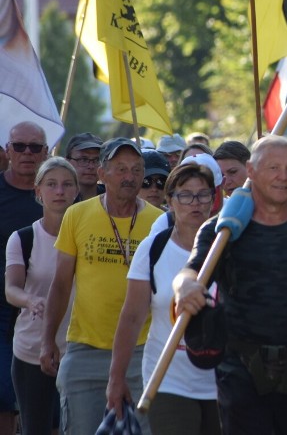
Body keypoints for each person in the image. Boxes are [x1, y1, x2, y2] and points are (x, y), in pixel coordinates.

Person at [173, 135, 287, 434]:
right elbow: (191, 272)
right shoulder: (221, 232)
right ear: (251, 170)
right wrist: (185, 288)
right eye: (273, 167)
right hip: (241, 375)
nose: (283, 177)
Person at [41, 138, 160, 435]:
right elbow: (60, 285)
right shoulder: (77, 215)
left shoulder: (160, 223)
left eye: (136, 169)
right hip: (86, 348)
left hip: (143, 350)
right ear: (101, 174)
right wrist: (48, 340)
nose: (129, 177)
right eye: (120, 169)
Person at [107, 163, 220, 434]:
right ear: (169, 201)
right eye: (184, 195)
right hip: (168, 380)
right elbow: (132, 316)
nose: (195, 203)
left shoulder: (228, 246)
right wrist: (116, 377)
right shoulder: (153, 248)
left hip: (223, 381)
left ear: (213, 200)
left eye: (203, 194)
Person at [5, 158, 78, 435]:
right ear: (38, 192)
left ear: (76, 192)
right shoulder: (23, 239)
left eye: (66, 184)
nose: (59, 191)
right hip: (31, 350)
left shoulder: (87, 237)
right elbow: (11, 289)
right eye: (51, 184)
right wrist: (29, 300)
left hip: (78, 349)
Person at [0, 121, 49, 435]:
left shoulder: (60, 196)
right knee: (4, 397)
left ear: (46, 152)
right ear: (7, 151)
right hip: (2, 313)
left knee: (48, 412)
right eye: (20, 146)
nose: (27, 153)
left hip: (47, 313)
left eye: (35, 147)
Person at [64, 132, 104, 201]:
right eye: (83, 160)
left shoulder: (112, 199)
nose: (91, 166)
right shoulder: (58, 198)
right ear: (67, 163)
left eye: (97, 160)